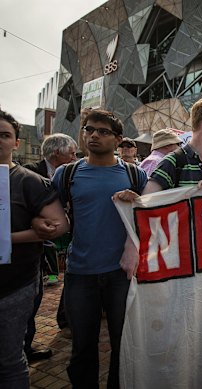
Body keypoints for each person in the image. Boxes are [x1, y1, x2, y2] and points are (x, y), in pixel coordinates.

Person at [52, 108, 148, 389]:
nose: (94, 135)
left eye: (103, 131)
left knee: (123, 344)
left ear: (118, 139)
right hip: (79, 274)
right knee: (82, 345)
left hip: (122, 275)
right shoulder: (66, 173)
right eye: (89, 129)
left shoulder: (135, 175)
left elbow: (152, 216)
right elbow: (54, 216)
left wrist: (137, 204)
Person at [0, 109, 69, 388]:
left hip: (13, 285)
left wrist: (8, 238)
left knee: (9, 359)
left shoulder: (30, 181)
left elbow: (59, 225)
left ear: (17, 143)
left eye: (4, 135)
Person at [22, 133, 77, 361]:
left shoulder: (70, 174)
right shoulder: (29, 174)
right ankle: (21, 349)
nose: (75, 157)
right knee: (28, 298)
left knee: (35, 296)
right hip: (28, 246)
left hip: (48, 244)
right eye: (71, 153)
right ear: (56, 153)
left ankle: (26, 346)